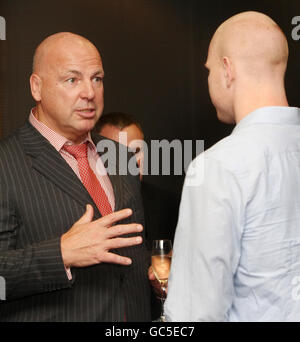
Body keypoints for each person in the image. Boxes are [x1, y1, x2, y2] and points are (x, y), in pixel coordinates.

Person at [0, 32, 151, 322]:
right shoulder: (6, 163)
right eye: (73, 80)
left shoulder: (121, 157)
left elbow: (132, 254)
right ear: (37, 87)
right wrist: (60, 254)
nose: (89, 93)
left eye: (97, 78)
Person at [165, 11, 300, 322]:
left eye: (209, 70)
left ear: (227, 70)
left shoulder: (217, 167)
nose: (209, 79)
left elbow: (194, 315)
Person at [95, 112, 180, 320]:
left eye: (137, 151)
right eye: (117, 152)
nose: (130, 161)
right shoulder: (82, 206)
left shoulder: (168, 203)